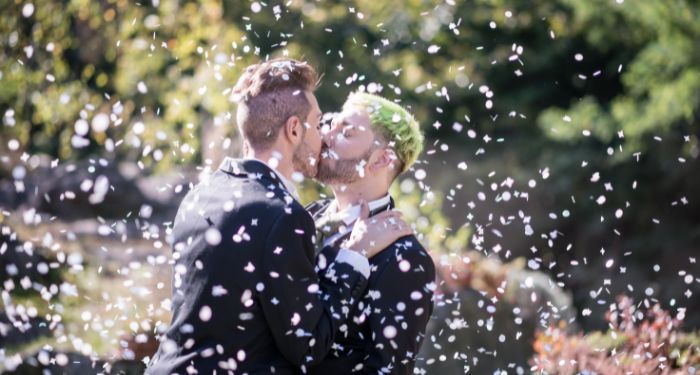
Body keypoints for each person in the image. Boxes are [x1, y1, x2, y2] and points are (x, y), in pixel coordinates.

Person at [145, 59, 412, 374]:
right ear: (295, 129)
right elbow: (308, 346)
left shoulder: (199, 195)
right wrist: (355, 254)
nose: (324, 136)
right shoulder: (282, 216)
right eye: (318, 121)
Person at [306, 92, 436, 374]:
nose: (326, 136)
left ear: (381, 160)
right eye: (331, 124)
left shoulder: (405, 260)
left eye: (346, 132)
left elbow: (387, 370)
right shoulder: (306, 217)